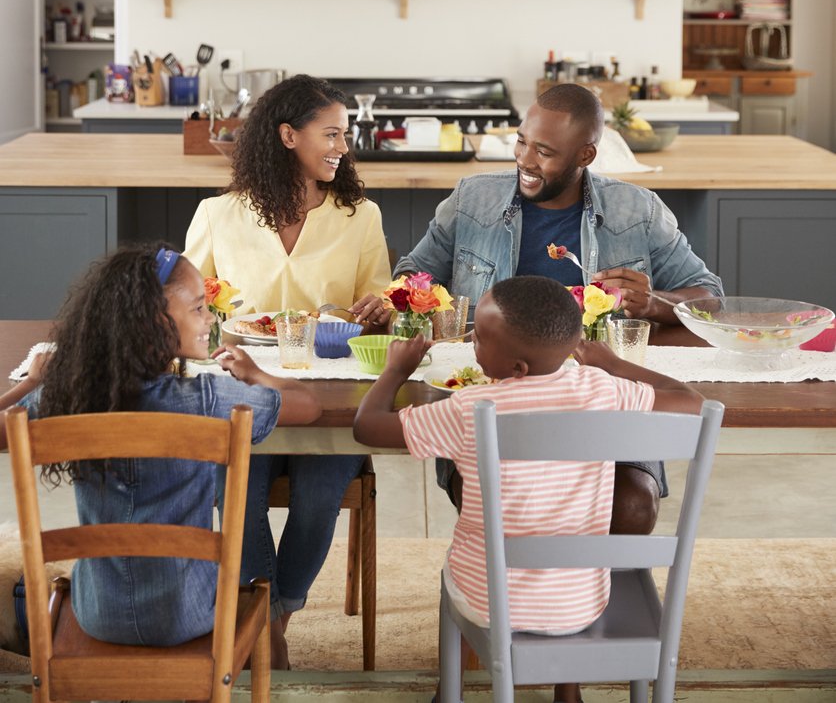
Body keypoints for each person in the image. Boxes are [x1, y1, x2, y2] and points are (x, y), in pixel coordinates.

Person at [353, 275, 703, 703]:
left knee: (454, 566)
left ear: (517, 368)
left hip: (489, 604)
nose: (471, 342)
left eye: (479, 337)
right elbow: (692, 402)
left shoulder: (468, 408)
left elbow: (367, 427)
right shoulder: (601, 389)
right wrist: (611, 363)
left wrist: (395, 370)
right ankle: (566, 689)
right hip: (580, 605)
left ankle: (451, 691)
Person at [393, 82, 724, 526]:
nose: (525, 161)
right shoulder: (473, 199)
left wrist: (655, 302)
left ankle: (602, 593)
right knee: (497, 497)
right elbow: (414, 272)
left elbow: (708, 296)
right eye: (521, 141)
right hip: (496, 396)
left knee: (632, 503)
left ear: (585, 156)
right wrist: (407, 299)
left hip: (600, 395)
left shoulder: (636, 210)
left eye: (544, 152)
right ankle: (509, 591)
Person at [0, 244, 320, 648]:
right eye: (199, 309)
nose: (210, 319)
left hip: (100, 615)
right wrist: (254, 374)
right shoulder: (206, 399)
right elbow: (308, 407)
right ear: (154, 319)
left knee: (44, 584)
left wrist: (31, 384)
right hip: (189, 615)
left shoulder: (67, 400)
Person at [184, 73, 392, 667]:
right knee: (239, 489)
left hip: (328, 387)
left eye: (344, 135)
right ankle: (265, 623)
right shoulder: (219, 214)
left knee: (321, 492)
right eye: (330, 134)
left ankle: (275, 615)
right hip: (242, 383)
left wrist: (377, 308)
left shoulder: (360, 216)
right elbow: (187, 302)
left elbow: (376, 301)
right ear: (286, 135)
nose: (342, 147)